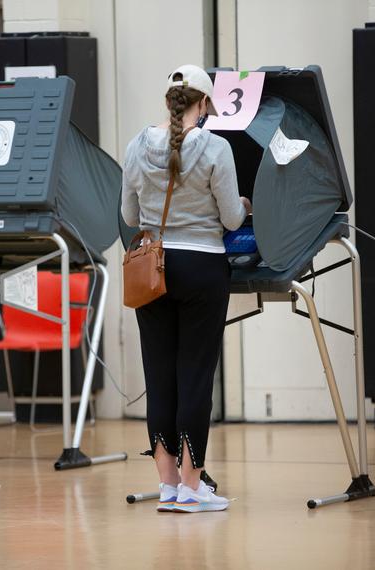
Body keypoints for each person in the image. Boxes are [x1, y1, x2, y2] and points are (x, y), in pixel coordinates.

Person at [121, 64, 250, 513]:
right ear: (207, 103)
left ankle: (168, 486)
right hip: (202, 269)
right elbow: (232, 218)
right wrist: (244, 205)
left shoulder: (137, 145)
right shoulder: (216, 147)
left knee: (160, 377)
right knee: (195, 376)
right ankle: (194, 489)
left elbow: (129, 213)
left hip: (152, 269)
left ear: (167, 101)